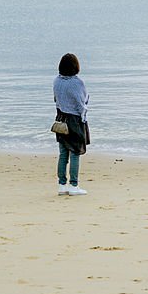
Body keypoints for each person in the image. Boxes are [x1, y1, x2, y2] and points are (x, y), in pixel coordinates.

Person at [53, 53, 90, 196]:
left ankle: (62, 185)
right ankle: (74, 185)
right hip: (74, 120)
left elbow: (56, 99)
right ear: (76, 67)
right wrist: (84, 118)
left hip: (60, 118)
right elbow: (81, 104)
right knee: (75, 152)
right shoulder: (77, 82)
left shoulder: (56, 81)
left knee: (63, 154)